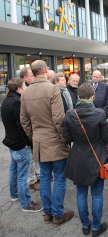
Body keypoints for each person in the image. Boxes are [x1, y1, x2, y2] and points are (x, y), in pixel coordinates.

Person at [20, 60, 74, 226]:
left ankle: (48, 213)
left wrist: (33, 136)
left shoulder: (26, 93)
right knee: (58, 178)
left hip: (40, 142)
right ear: (44, 70)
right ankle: (57, 215)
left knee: (44, 178)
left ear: (33, 72)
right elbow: (59, 119)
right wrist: (64, 139)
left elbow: (24, 120)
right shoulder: (52, 89)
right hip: (55, 141)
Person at [64, 83, 108, 237]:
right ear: (92, 97)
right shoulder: (100, 113)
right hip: (96, 156)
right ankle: (96, 227)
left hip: (78, 156)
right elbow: (105, 137)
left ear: (78, 97)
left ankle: (85, 225)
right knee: (97, 194)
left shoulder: (70, 114)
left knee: (81, 193)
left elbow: (68, 138)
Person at [1, 78, 42, 212]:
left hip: (12, 142)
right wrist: (27, 142)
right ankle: (26, 203)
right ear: (19, 89)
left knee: (14, 169)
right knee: (22, 176)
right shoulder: (17, 102)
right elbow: (22, 125)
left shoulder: (7, 100)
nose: (25, 88)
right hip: (20, 144)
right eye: (24, 86)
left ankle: (14, 195)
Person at [20, 67, 40, 191]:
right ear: (24, 78)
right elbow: (24, 119)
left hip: (34, 132)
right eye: (31, 75)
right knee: (32, 159)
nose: (33, 77)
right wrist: (30, 134)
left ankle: (36, 176)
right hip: (31, 134)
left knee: (35, 157)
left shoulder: (30, 90)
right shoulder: (26, 92)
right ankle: (32, 180)